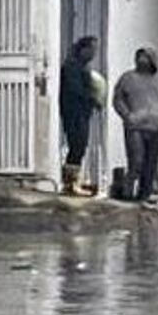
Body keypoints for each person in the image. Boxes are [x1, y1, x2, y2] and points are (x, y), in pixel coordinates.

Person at [112, 46, 158, 205]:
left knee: (151, 163)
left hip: (155, 126)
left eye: (146, 57)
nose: (142, 60)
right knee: (137, 161)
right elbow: (118, 99)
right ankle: (127, 193)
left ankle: (144, 195)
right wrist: (127, 115)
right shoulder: (127, 78)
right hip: (135, 126)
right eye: (140, 56)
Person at [59, 35, 100, 196]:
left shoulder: (82, 67)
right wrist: (91, 97)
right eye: (91, 49)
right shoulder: (72, 66)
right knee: (76, 145)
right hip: (74, 111)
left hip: (81, 112)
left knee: (80, 146)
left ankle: (73, 181)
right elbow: (75, 90)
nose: (93, 53)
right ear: (83, 49)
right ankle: (69, 183)